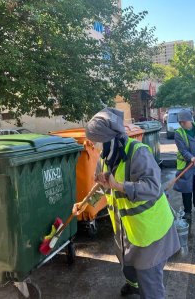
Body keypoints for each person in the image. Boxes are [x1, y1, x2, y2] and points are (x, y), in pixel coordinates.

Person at [72, 107, 180, 299]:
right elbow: (104, 189)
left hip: (150, 232)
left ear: (109, 139)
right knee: (127, 265)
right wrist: (84, 203)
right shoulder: (106, 158)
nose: (91, 144)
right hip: (126, 230)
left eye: (95, 141)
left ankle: (145, 290)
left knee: (149, 280)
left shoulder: (138, 153)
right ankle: (133, 286)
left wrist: (119, 185)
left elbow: (153, 187)